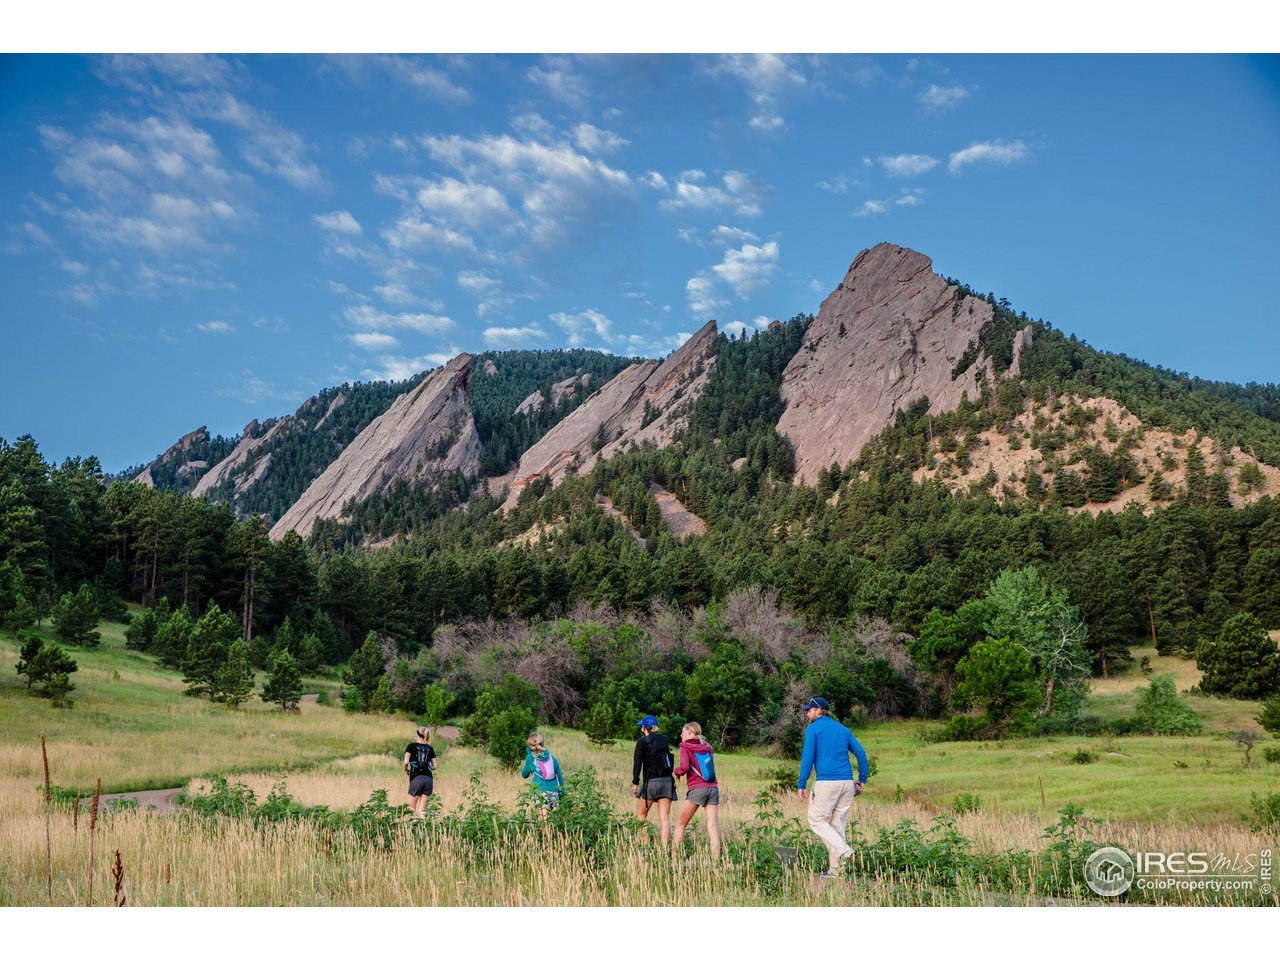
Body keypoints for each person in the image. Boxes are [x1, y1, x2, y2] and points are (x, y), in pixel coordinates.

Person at [796, 697, 869, 879]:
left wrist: (801, 783)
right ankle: (836, 871)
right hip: (846, 783)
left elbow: (808, 757)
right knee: (837, 826)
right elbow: (860, 753)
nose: (807, 713)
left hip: (827, 782)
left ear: (819, 711)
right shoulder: (843, 729)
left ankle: (845, 851)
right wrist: (862, 779)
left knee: (816, 820)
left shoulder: (814, 728)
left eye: (810, 710)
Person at [672, 721, 720, 861]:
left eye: (683, 731)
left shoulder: (685, 747)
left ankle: (675, 860)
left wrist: (676, 771)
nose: (681, 734)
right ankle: (716, 860)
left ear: (689, 732)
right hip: (713, 788)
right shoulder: (708, 747)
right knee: (712, 826)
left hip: (697, 789)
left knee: (680, 824)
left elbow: (685, 767)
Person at [631, 715, 675, 848]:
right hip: (667, 781)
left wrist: (635, 783)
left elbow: (637, 763)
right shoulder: (664, 740)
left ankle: (644, 844)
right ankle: (664, 848)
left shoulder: (642, 742)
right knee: (664, 818)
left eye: (641, 726)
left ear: (645, 727)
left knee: (641, 814)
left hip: (651, 782)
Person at [519, 731, 564, 821]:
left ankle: (543, 834)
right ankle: (552, 834)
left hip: (541, 792)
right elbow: (560, 777)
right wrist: (562, 792)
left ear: (530, 745)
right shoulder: (552, 757)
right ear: (542, 744)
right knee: (552, 820)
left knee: (542, 820)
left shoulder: (530, 758)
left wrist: (528, 752)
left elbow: (524, 774)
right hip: (554, 792)